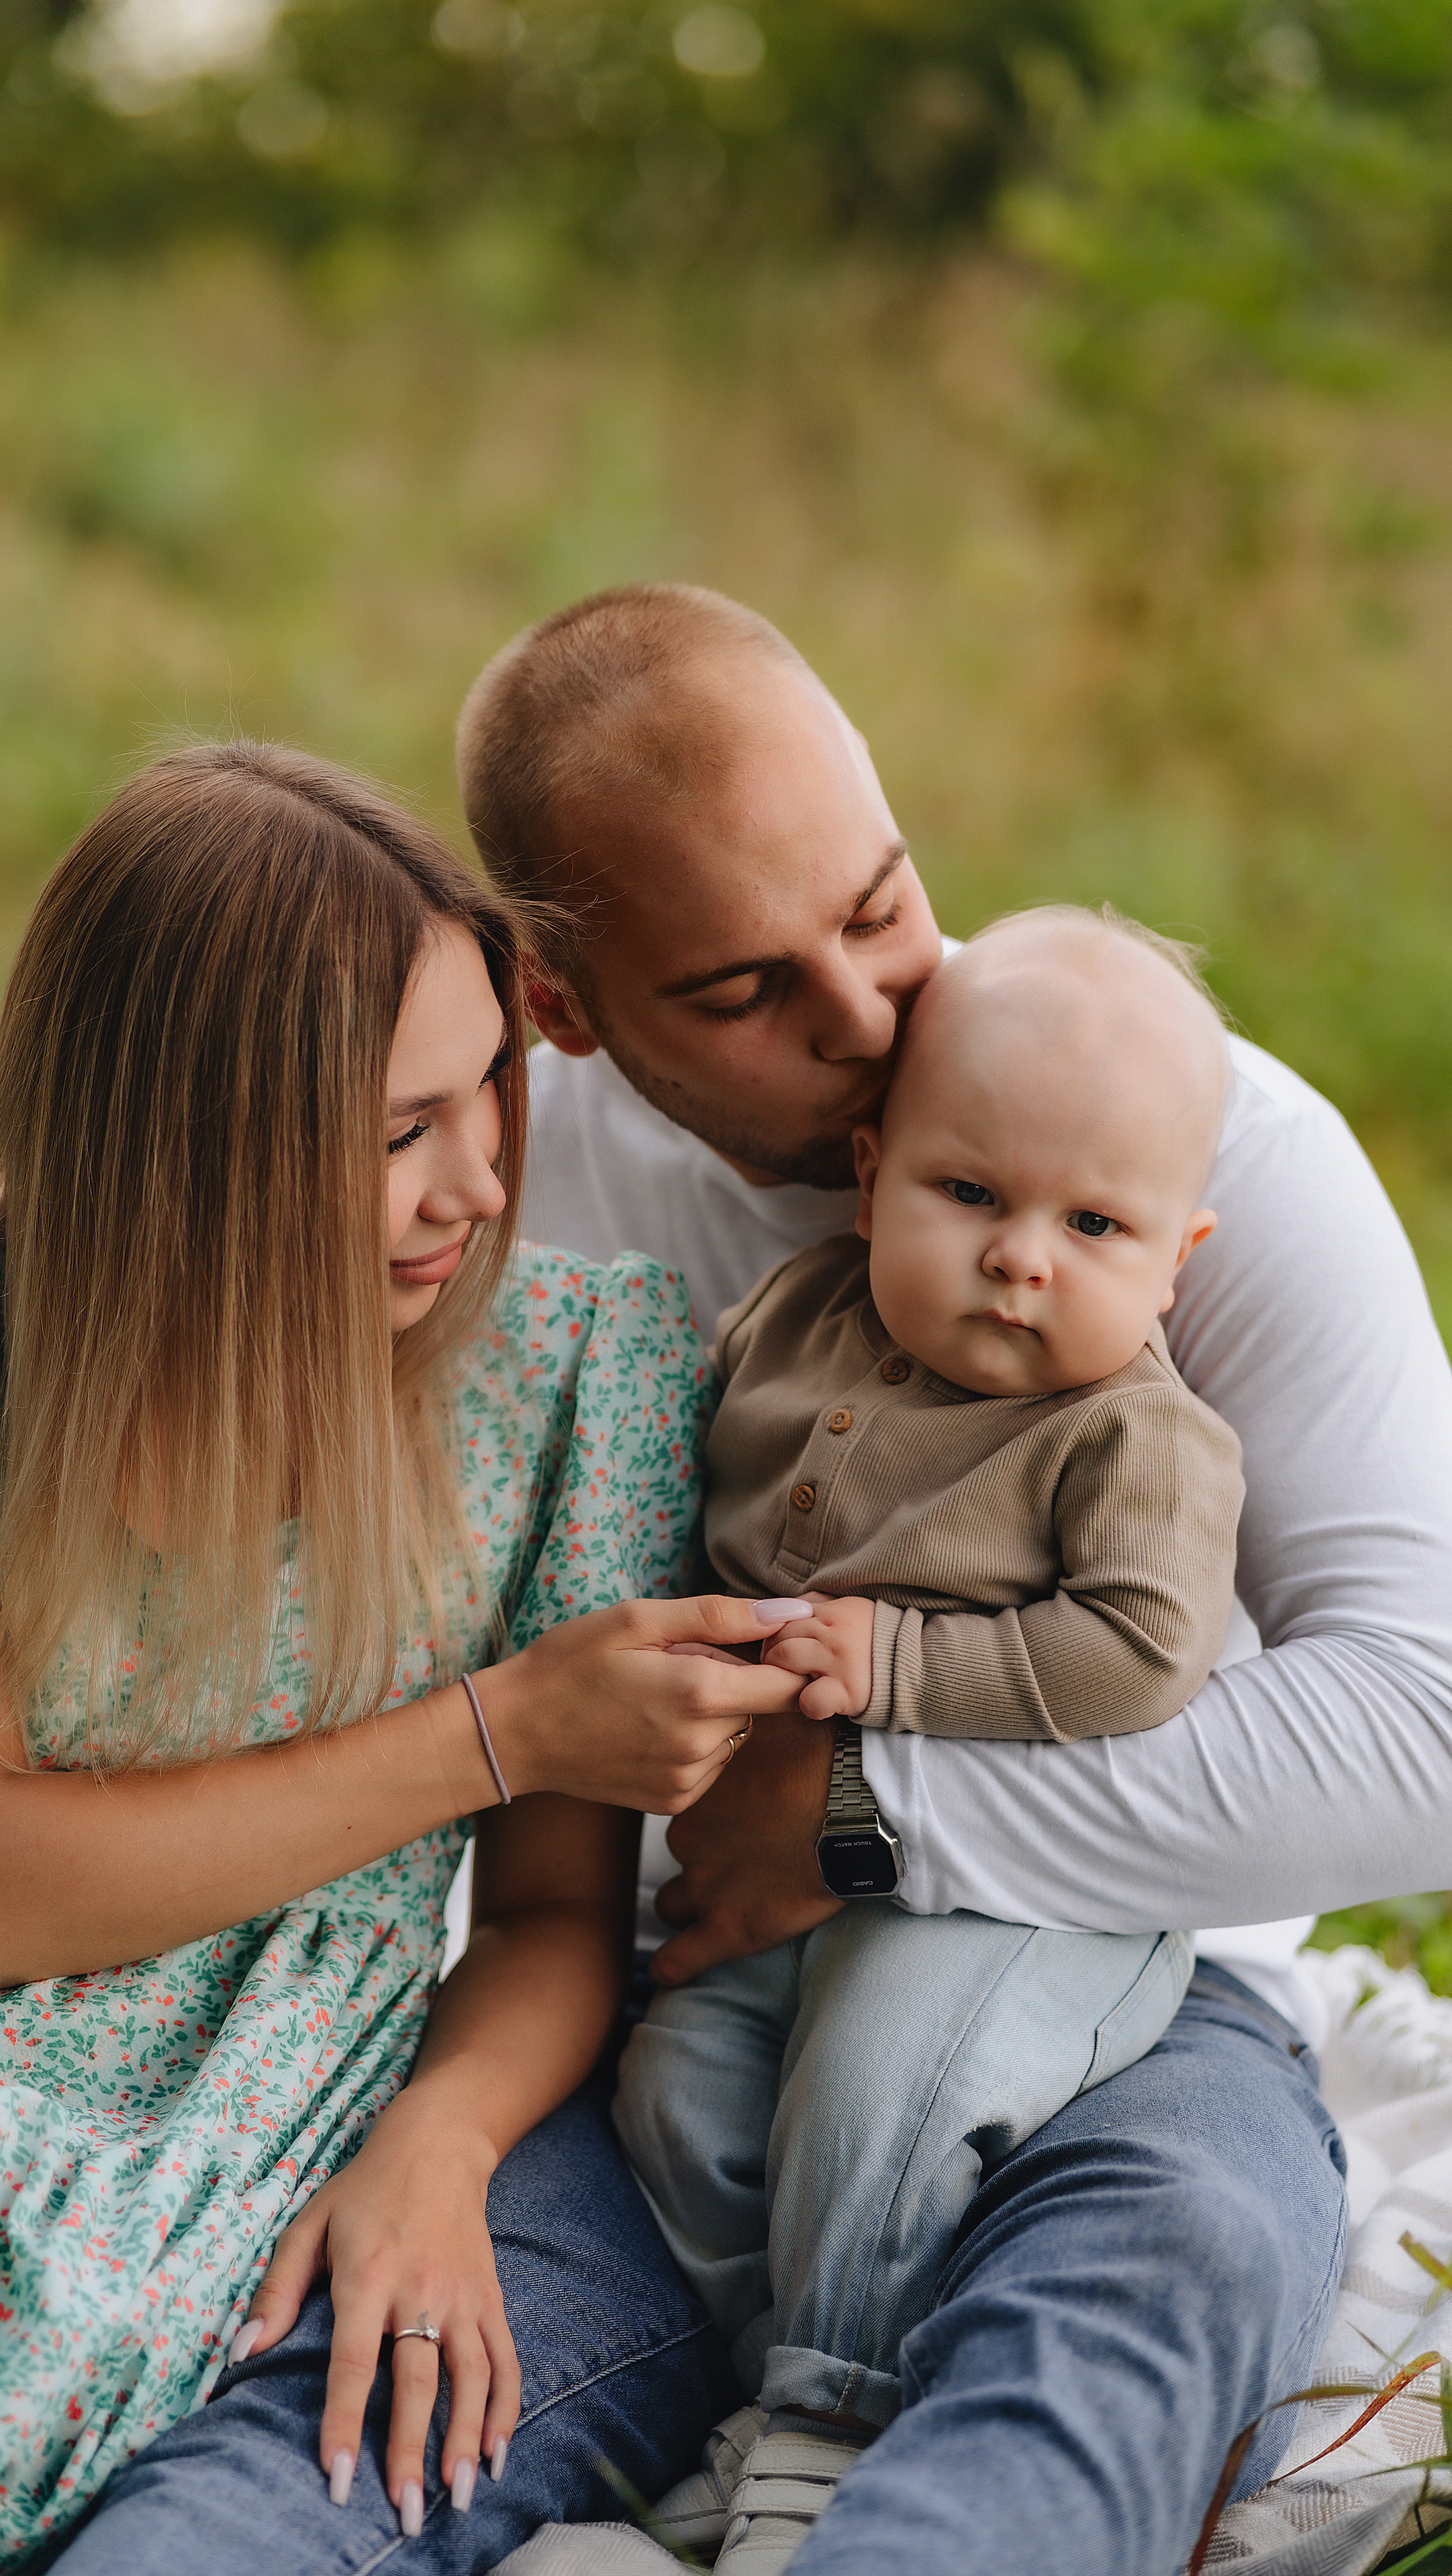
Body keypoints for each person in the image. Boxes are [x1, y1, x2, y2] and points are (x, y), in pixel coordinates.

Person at [456, 583, 1452, 2576]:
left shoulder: (1189, 1148)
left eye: (884, 906)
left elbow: (1428, 1722)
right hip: (641, 2004)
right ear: (564, 1005)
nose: (870, 1021)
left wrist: (853, 1805)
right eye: (744, 991)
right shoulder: (483, 1172)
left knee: (1123, 2328)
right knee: (354, 2402)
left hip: (1143, 1994)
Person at [0, 741, 812, 2573]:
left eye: (490, 1089)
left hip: (243, 2120)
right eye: (402, 1129)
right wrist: (502, 1721)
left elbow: (558, 1918)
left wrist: (446, 2139)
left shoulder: (574, 1377)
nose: (477, 1180)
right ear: (186, 1140)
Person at [613, 907, 1244, 2571]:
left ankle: (833, 2419)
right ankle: (765, 2383)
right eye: (970, 1195)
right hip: (754, 1869)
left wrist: (893, 1662)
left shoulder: (1133, 1436)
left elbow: (1136, 1654)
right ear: (874, 1170)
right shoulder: (793, 1314)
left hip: (1022, 1887)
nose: (1020, 1256)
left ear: (1176, 1253)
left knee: (884, 2097)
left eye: (1091, 1223)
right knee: (678, 2093)